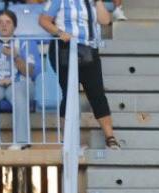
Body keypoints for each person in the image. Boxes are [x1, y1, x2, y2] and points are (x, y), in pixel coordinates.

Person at [40, 0, 121, 149]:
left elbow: (105, 20)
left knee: (97, 93)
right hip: (65, 49)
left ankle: (110, 136)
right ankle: (68, 140)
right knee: (70, 93)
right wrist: (59, 33)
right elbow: (43, 20)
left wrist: (98, 2)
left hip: (89, 50)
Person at [0, 9, 37, 146]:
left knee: (19, 93)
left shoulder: (24, 44)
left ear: (14, 26)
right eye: (0, 22)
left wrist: (16, 56)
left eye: (8, 22)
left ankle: (21, 141)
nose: (4, 25)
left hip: (19, 83)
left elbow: (29, 72)